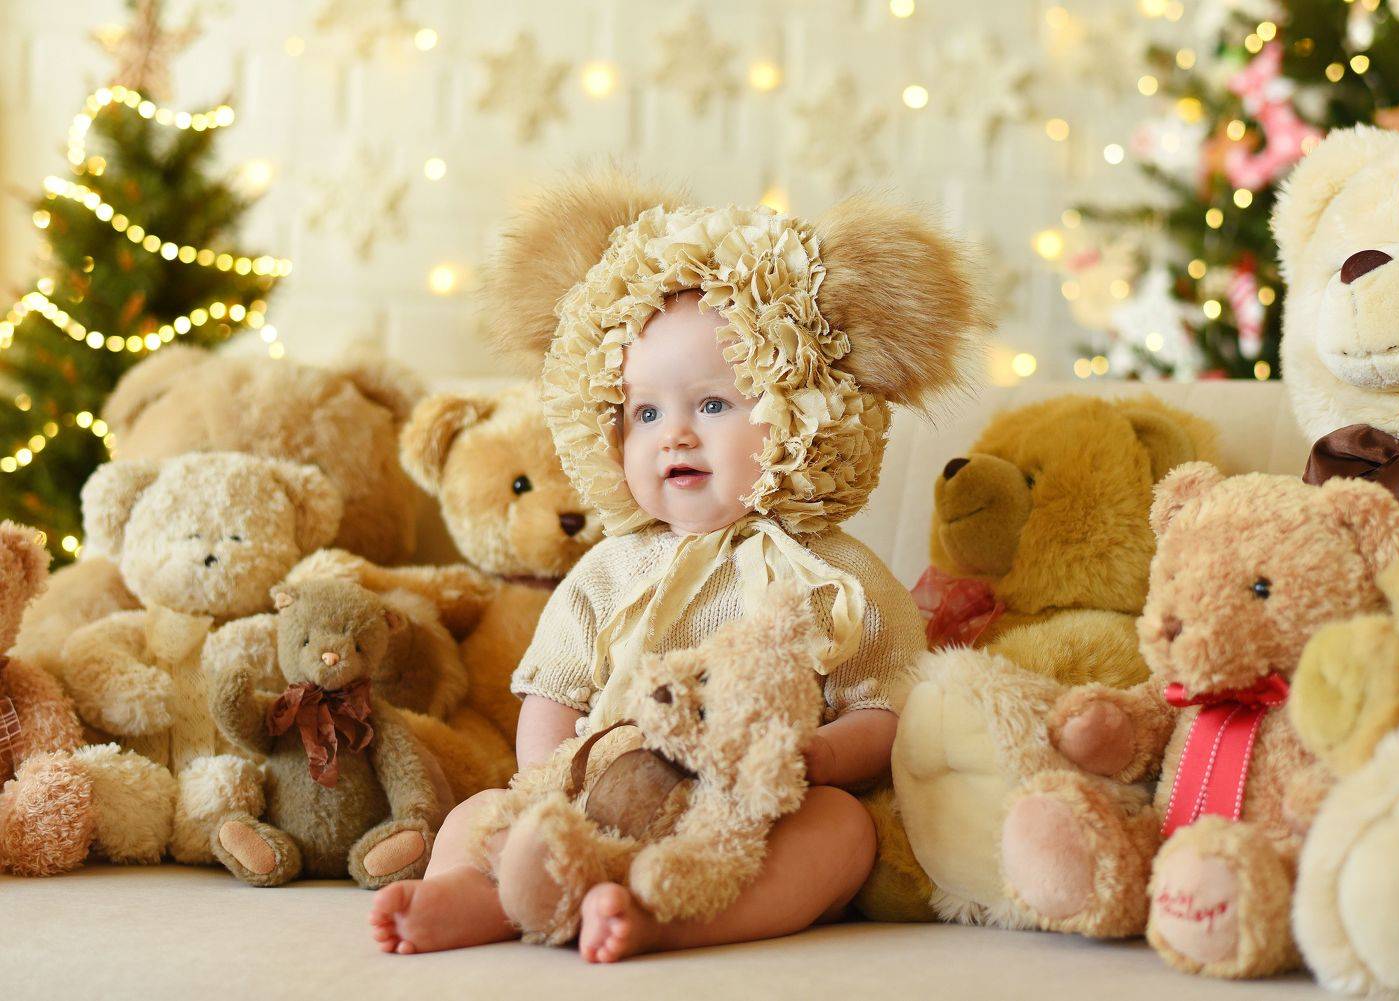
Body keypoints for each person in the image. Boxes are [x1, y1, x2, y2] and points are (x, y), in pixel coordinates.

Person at [370, 171, 988, 962]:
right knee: (477, 812)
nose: (675, 435)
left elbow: (889, 710)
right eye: (646, 412)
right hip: (603, 791)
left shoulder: (835, 576)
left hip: (751, 810)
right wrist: (550, 782)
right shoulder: (608, 569)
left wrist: (821, 756)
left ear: (804, 409)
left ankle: (666, 917)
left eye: (714, 404)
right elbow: (553, 692)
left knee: (843, 833)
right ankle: (481, 892)